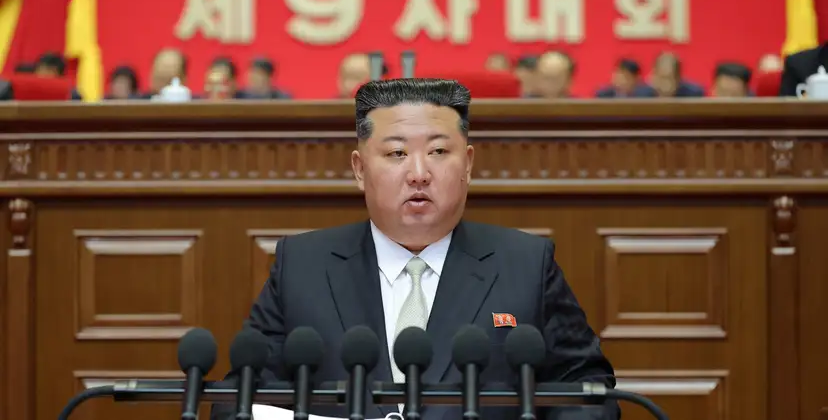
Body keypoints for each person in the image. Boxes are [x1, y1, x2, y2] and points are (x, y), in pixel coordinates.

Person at [211, 78, 617, 420]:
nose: (419, 174)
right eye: (397, 154)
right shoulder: (302, 266)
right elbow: (236, 401)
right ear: (358, 169)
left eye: (439, 152)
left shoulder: (527, 264)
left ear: (469, 164)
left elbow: (589, 395)